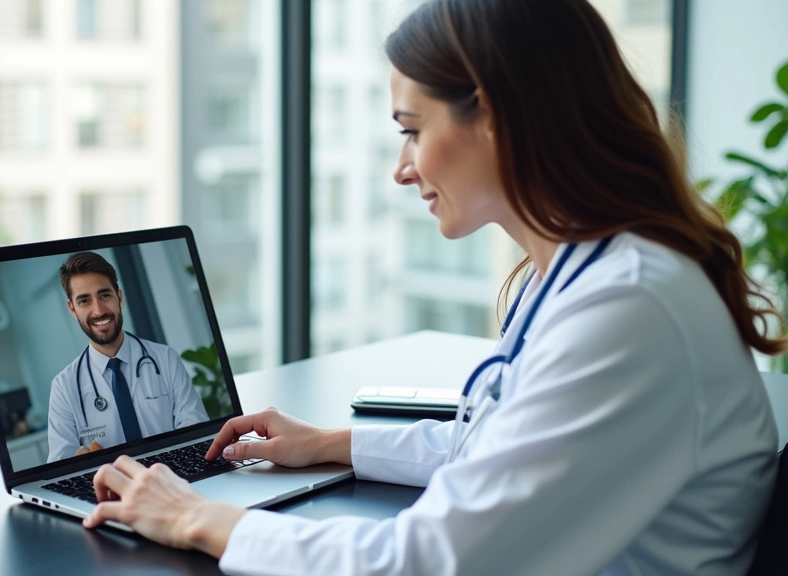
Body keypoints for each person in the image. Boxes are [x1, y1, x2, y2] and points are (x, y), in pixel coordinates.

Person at [79, 0, 785, 573]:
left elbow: (427, 563)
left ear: (496, 117)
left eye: (412, 131)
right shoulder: (593, 274)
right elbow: (504, 450)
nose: (402, 167)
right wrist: (334, 442)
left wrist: (199, 517)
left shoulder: (628, 308)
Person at [46, 251, 209, 463]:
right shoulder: (63, 387)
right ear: (73, 309)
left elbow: (196, 432)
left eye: (104, 295)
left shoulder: (165, 359)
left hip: (174, 478)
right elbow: (60, 466)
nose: (98, 310)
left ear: (119, 298)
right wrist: (76, 463)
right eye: (84, 301)